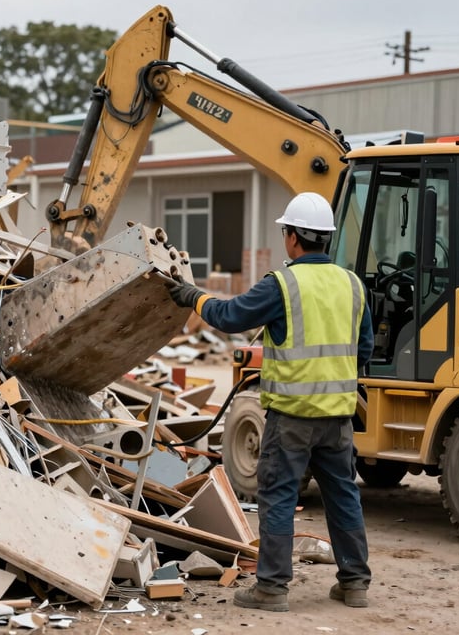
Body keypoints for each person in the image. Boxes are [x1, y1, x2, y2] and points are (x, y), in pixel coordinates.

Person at [167, 192, 373, 612]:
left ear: (293, 237)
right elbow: (364, 348)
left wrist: (192, 297)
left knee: (277, 496)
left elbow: (229, 316)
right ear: (326, 239)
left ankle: (272, 589)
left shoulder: (283, 284)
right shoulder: (353, 284)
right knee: (343, 496)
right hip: (338, 418)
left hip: (292, 416)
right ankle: (355, 584)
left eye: (285, 232)